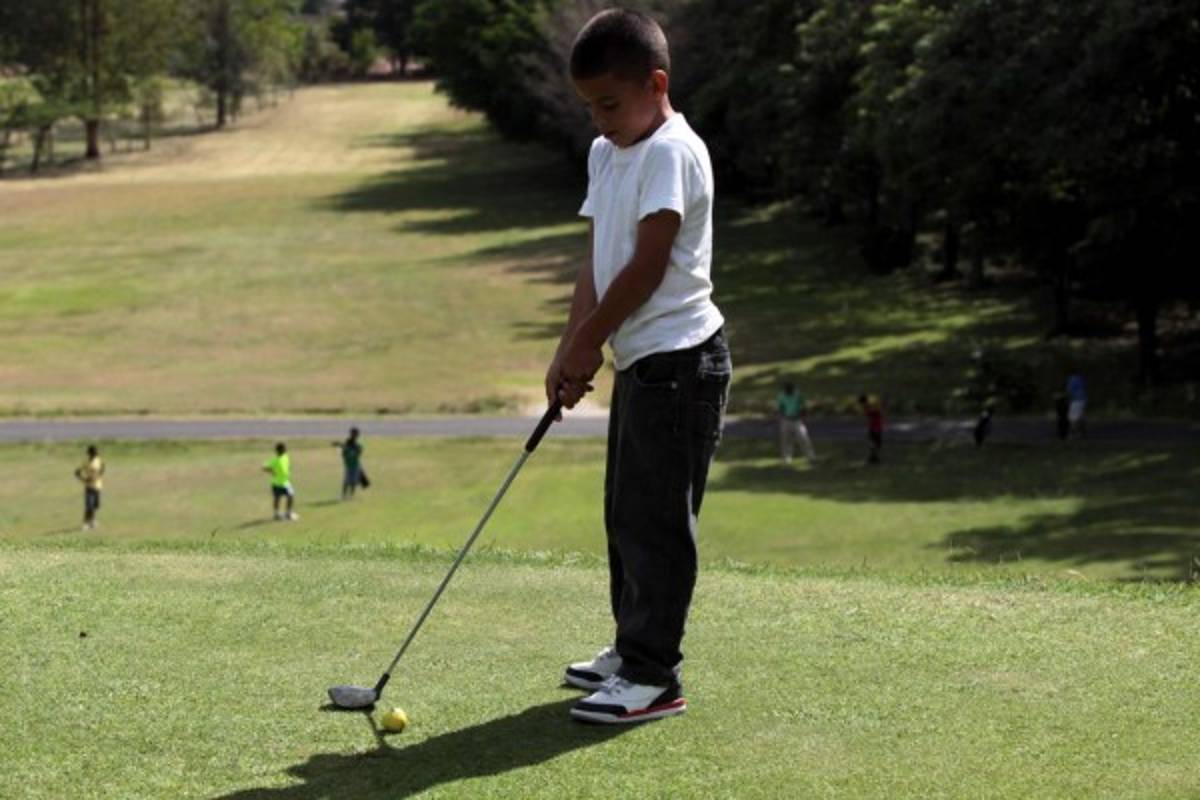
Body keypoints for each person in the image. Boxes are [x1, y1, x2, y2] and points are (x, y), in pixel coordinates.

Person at [544, 8, 730, 724]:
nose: (599, 120)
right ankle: (631, 648)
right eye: (589, 106)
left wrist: (591, 343)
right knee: (625, 511)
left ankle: (655, 676)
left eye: (610, 104)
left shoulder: (673, 152)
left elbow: (648, 268)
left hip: (684, 361)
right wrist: (571, 347)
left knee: (657, 521)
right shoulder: (607, 152)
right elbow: (597, 263)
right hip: (642, 362)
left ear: (657, 84)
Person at [777, 381, 815, 462]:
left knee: (803, 438)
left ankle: (810, 456)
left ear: (793, 389)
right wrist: (782, 416)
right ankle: (787, 458)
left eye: (790, 390)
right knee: (786, 440)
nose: (788, 392)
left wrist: (803, 416)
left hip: (797, 420)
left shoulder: (798, 395)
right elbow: (780, 407)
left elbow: (804, 406)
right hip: (786, 420)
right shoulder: (781, 395)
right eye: (787, 391)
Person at [263, 442, 298, 521]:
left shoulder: (285, 457)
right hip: (277, 483)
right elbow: (264, 467)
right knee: (278, 498)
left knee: (290, 496)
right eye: (283, 449)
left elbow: (287, 465)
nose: (285, 450)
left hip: (285, 482)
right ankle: (278, 514)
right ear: (279, 450)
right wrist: (272, 472)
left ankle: (287, 513)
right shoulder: (275, 460)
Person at [74, 445, 104, 530]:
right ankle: (86, 523)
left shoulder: (98, 460)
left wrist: (98, 476)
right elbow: (77, 472)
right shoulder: (86, 462)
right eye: (94, 452)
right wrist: (84, 479)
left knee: (95, 505)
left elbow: (102, 469)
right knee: (89, 506)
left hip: (97, 486)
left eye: (97, 452)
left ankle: (92, 521)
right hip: (89, 487)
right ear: (90, 453)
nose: (96, 454)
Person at [332, 427, 364, 500]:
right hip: (348, 465)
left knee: (353, 482)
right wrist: (343, 448)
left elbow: (358, 452)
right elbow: (344, 453)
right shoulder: (348, 442)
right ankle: (343, 496)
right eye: (353, 433)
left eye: (355, 434)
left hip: (355, 465)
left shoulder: (357, 445)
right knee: (346, 481)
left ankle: (351, 496)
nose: (354, 435)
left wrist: (348, 449)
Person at [859, 394, 883, 464]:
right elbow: (875, 414)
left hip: (875, 427)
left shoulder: (868, 407)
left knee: (875, 443)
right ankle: (873, 458)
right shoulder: (868, 407)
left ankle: (873, 457)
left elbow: (875, 414)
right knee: (876, 443)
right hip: (875, 427)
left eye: (861, 403)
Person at [1066, 372, 1087, 438]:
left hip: (1076, 400)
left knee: (1073, 418)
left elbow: (1069, 390)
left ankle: (1073, 434)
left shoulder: (1072, 379)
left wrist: (1068, 398)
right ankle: (1081, 432)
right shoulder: (1079, 378)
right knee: (1080, 416)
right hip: (1082, 398)